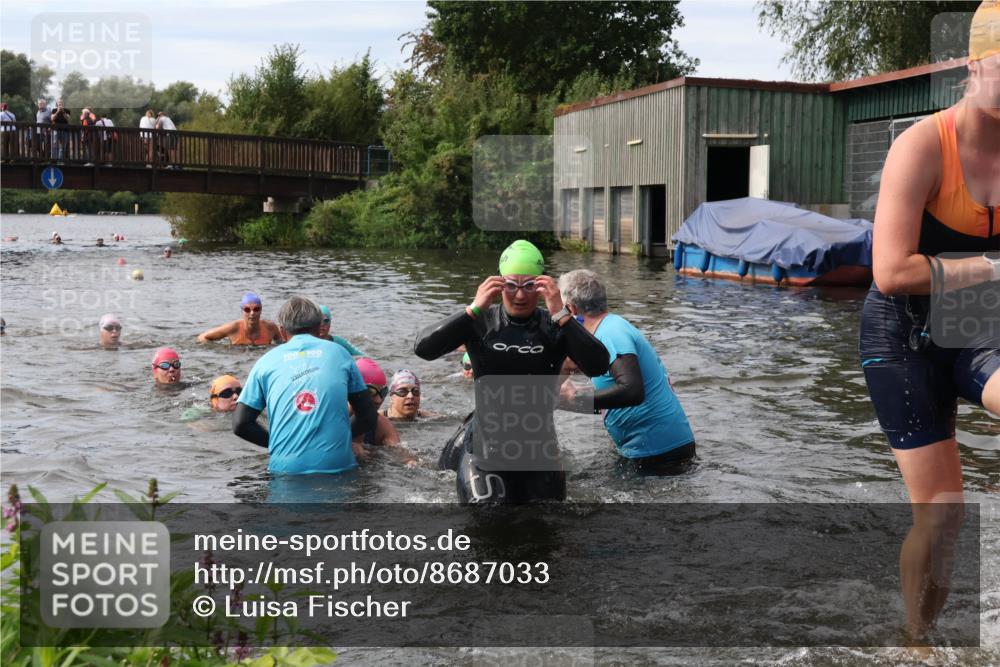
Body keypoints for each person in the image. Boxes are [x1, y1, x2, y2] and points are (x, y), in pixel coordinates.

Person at [859, 1, 999, 648]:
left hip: (976, 324)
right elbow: (892, 270)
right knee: (942, 515)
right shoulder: (923, 144)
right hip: (904, 333)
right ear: (977, 65)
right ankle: (915, 641)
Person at [414, 239, 609, 503]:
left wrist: (562, 315)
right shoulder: (480, 321)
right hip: (485, 454)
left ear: (541, 285)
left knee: (548, 529)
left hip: (540, 455)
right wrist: (472, 309)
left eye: (529, 286)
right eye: (511, 285)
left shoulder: (555, 326)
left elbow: (598, 365)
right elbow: (424, 349)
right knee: (487, 523)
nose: (520, 295)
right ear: (498, 283)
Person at [558, 269, 696, 472]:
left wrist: (578, 397)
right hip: (654, 449)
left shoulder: (610, 333)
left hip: (660, 453)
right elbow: (617, 400)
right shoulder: (603, 333)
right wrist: (564, 400)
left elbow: (632, 391)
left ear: (571, 309)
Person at [232, 296, 377, 475]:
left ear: (282, 331)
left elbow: (240, 424)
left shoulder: (265, 362)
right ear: (318, 328)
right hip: (337, 466)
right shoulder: (340, 354)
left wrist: (279, 442)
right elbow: (368, 415)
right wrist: (343, 438)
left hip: (284, 469)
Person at [353, 358, 417, 465]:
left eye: (383, 392)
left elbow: (398, 452)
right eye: (371, 392)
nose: (378, 400)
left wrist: (410, 462)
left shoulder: (381, 424)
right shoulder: (330, 415)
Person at [197, 292, 282, 346]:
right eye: (247, 310)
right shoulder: (233, 327)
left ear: (261, 310)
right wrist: (221, 349)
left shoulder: (271, 328)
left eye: (256, 309)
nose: (252, 313)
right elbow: (202, 337)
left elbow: (282, 344)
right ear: (242, 311)